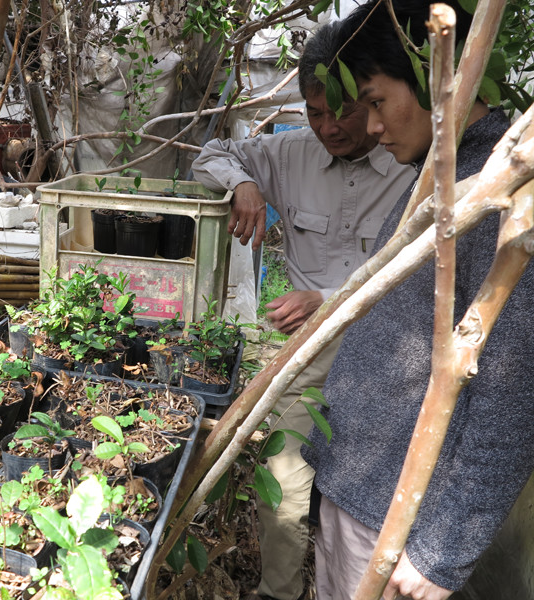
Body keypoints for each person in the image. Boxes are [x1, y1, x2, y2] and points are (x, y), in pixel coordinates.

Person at [301, 2, 534, 600]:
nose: (371, 126)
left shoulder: (497, 202)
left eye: (376, 101)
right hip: (363, 490)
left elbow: (513, 391)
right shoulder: (441, 176)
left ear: (439, 76)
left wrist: (441, 553)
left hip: (396, 520)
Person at [192, 21, 415, 600]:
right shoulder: (290, 152)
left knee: (370, 495)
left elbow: (421, 273)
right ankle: (281, 591)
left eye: (341, 111)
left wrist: (330, 298)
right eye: (314, 113)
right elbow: (212, 153)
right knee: (284, 483)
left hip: (390, 349)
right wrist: (244, 184)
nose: (327, 127)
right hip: (309, 351)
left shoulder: (414, 164)